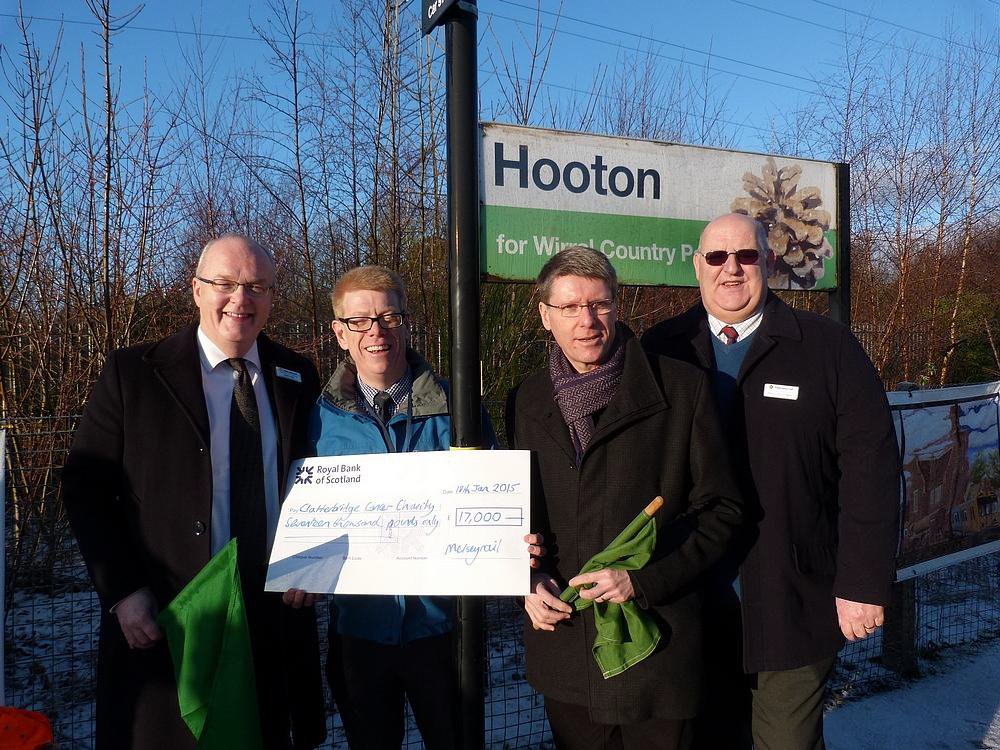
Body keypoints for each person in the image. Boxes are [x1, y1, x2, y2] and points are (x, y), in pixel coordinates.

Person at [642, 213, 902, 750]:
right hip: (689, 603)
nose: (731, 269)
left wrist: (863, 583)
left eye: (747, 256)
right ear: (697, 266)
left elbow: (871, 472)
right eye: (717, 257)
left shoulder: (827, 348)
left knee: (786, 740)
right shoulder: (662, 348)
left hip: (794, 597)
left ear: (770, 261)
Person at [61, 234, 326, 750]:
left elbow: (319, 479)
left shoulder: (297, 375)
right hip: (171, 612)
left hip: (273, 616)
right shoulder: (133, 374)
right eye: (224, 283)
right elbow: (85, 488)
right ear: (197, 290)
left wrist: (314, 562)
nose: (240, 299)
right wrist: (123, 590)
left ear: (272, 297)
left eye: (257, 287)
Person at [505, 246, 744, 750]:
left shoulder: (682, 389)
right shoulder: (525, 400)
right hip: (566, 644)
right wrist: (526, 578)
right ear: (545, 315)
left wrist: (643, 578)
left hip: (658, 646)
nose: (587, 321)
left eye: (599, 304)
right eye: (570, 307)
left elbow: (721, 509)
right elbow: (518, 515)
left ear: (617, 305)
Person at [307, 265, 496, 749]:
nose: (376, 331)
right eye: (360, 321)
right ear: (340, 333)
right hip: (360, 632)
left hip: (445, 630)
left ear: (407, 324)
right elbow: (306, 515)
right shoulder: (316, 420)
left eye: (389, 316)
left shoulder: (459, 408)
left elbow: (492, 500)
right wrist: (302, 567)